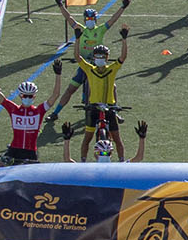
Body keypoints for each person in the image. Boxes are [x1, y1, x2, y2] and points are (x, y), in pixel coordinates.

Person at [52, 32, 130, 162]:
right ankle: (83, 161)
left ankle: (122, 161)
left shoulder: (112, 69)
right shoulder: (90, 69)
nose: (100, 58)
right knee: (87, 138)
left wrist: (124, 39)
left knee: (117, 138)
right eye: (97, 56)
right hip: (93, 107)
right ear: (93, 57)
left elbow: (123, 57)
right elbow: (77, 57)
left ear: (107, 58)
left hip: (109, 107)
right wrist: (77, 39)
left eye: (102, 56)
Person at [0, 58, 47, 164]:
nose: (27, 98)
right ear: (21, 96)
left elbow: (55, 96)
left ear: (34, 96)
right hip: (14, 149)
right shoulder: (14, 109)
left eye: (30, 96)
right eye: (25, 96)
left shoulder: (38, 111)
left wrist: (58, 75)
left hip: (30, 152)